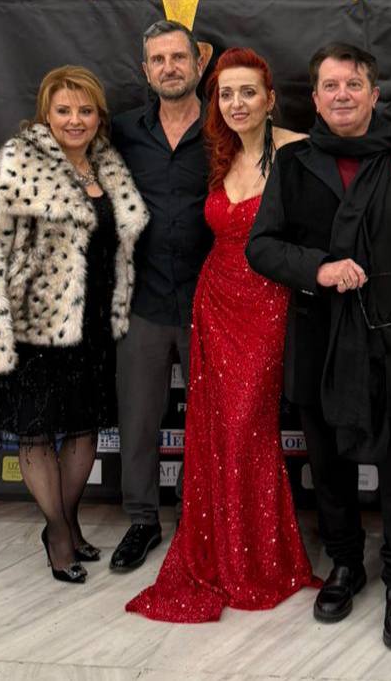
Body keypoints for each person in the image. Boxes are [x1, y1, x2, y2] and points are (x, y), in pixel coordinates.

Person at [246, 42, 391, 651]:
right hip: (319, 338)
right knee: (329, 465)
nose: (342, 95)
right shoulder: (293, 163)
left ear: (374, 93)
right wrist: (320, 268)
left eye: (353, 85)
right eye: (330, 86)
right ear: (314, 99)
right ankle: (344, 563)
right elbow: (262, 246)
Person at [126, 47, 316, 621]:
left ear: (270, 98)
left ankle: (256, 556)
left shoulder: (298, 151)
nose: (236, 103)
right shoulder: (218, 152)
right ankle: (225, 550)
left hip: (268, 304)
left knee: (245, 426)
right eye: (226, 94)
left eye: (247, 92)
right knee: (216, 430)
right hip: (214, 301)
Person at [0, 66, 148, 583]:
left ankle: (69, 520)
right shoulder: (14, 167)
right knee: (36, 433)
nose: (74, 120)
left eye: (85, 110)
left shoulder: (109, 167)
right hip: (32, 329)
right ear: (46, 114)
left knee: (85, 430)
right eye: (63, 110)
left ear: (99, 116)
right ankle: (59, 534)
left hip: (94, 326)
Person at [109, 19, 212, 572]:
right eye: (158, 59)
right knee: (139, 418)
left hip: (209, 300)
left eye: (178, 57)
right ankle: (143, 520)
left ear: (199, 62)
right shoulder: (123, 131)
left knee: (210, 422)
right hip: (142, 298)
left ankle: (201, 519)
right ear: (145, 70)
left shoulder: (225, 125)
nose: (169, 68)